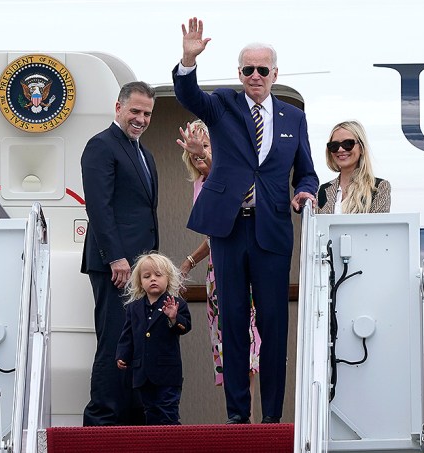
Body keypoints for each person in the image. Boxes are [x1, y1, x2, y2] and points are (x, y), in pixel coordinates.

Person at [172, 18, 319, 424]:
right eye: (248, 69)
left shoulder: (293, 118)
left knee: (273, 327)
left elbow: (306, 171)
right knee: (233, 323)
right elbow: (188, 95)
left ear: (275, 73)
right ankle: (239, 418)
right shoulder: (223, 104)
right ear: (240, 74)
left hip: (271, 229)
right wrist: (188, 59)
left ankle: (271, 420)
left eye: (263, 69)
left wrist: (305, 190)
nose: (256, 76)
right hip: (229, 229)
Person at [80, 81, 158, 426]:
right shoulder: (101, 146)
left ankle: (132, 417)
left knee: (136, 343)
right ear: (118, 108)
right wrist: (115, 257)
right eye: (135, 111)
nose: (140, 119)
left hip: (140, 267)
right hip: (117, 265)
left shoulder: (145, 153)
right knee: (113, 340)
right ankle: (102, 419)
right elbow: (98, 206)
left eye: (147, 113)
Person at [176, 121, 261, 396]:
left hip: (244, 268)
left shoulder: (235, 175)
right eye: (194, 151)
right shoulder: (200, 183)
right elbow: (215, 232)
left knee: (246, 340)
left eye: (205, 147)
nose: (199, 155)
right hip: (217, 270)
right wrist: (190, 261)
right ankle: (236, 415)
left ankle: (246, 417)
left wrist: (213, 166)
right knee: (223, 341)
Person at [116, 253, 192, 425]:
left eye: (158, 275)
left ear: (168, 278)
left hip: (167, 372)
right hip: (143, 372)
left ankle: (172, 444)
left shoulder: (176, 303)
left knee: (168, 411)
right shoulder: (133, 308)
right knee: (150, 412)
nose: (153, 279)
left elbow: (185, 327)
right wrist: (122, 354)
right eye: (147, 276)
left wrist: (173, 318)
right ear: (140, 281)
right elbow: (128, 335)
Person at [316, 120, 391, 214]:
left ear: (362, 148)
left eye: (348, 144)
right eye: (334, 145)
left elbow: (378, 227)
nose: (340, 149)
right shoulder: (322, 190)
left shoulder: (379, 187)